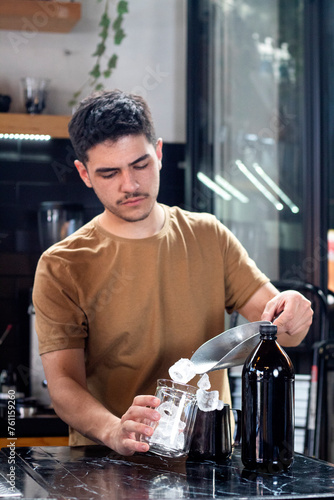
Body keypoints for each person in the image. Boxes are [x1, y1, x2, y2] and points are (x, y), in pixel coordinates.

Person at [33, 90, 313, 456]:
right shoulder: (62, 265)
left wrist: (294, 311)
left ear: (159, 153)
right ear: (84, 174)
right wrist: (114, 429)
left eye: (140, 164)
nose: (130, 185)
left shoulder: (209, 236)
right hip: (109, 462)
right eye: (109, 172)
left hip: (208, 459)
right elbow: (64, 384)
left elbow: (280, 332)